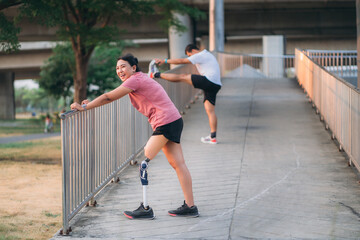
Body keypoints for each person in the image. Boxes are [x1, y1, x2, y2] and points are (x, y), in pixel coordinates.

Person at [70, 53, 198, 220]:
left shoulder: (135, 80)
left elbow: (108, 97)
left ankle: (145, 209)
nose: (120, 70)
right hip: (173, 120)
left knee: (145, 160)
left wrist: (85, 108)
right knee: (178, 164)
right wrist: (91, 103)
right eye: (117, 68)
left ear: (133, 68)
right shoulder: (139, 79)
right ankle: (190, 206)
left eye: (123, 66)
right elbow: (107, 97)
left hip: (166, 122)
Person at [152, 44, 222, 144]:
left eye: (189, 55)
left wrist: (165, 61)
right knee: (210, 110)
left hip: (209, 81)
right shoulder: (207, 55)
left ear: (193, 50)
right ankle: (213, 137)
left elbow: (182, 61)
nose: (190, 58)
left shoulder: (201, 55)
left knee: (183, 76)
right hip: (215, 84)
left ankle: (156, 74)